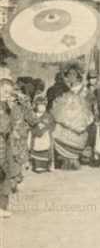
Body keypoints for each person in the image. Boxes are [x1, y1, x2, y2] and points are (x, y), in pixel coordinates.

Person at [50, 63, 94, 170]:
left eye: (73, 74)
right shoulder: (66, 90)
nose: (71, 77)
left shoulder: (84, 90)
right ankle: (66, 160)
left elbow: (89, 103)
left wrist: (80, 100)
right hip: (67, 117)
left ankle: (74, 160)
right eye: (69, 74)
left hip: (79, 118)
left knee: (77, 136)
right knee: (61, 132)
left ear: (78, 76)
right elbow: (60, 102)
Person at [0, 68, 30, 218]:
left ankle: (3, 208)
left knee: (5, 177)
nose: (7, 95)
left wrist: (18, 107)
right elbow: (4, 126)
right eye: (4, 91)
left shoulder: (10, 107)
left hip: (6, 148)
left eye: (9, 92)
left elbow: (22, 122)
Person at [27, 94, 55, 173]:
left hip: (45, 136)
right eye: (40, 106)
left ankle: (47, 165)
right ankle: (35, 165)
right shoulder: (33, 115)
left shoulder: (48, 116)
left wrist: (46, 128)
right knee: (34, 148)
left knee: (46, 149)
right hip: (35, 136)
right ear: (36, 106)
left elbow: (52, 124)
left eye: (44, 106)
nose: (42, 108)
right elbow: (30, 124)